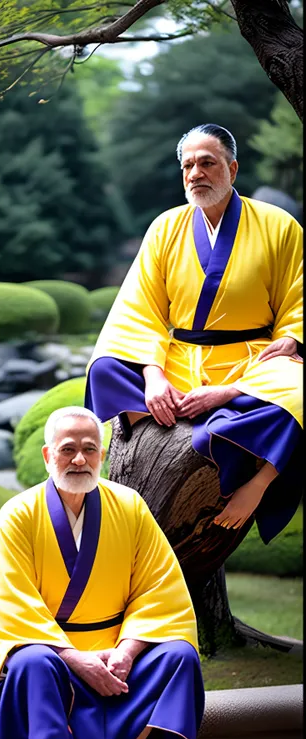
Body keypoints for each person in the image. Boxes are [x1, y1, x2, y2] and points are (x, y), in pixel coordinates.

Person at [0, 406, 205, 739]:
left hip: (116, 657)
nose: (79, 459)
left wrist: (128, 651)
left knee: (180, 657)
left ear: (103, 456)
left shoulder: (130, 507)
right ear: (48, 456)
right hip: (54, 659)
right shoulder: (19, 514)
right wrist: (73, 657)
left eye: (89, 449)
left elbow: (159, 589)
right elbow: (9, 604)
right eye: (67, 450)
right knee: (28, 661)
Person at [85, 123, 302, 544]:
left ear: (232, 169)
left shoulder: (279, 226)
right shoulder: (166, 227)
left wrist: (291, 338)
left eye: (207, 163)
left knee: (298, 393)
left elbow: (299, 293)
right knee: (106, 366)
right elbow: (138, 308)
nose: (196, 174)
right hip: (178, 358)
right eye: (188, 166)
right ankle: (185, 415)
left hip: (250, 361)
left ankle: (252, 481)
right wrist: (152, 375)